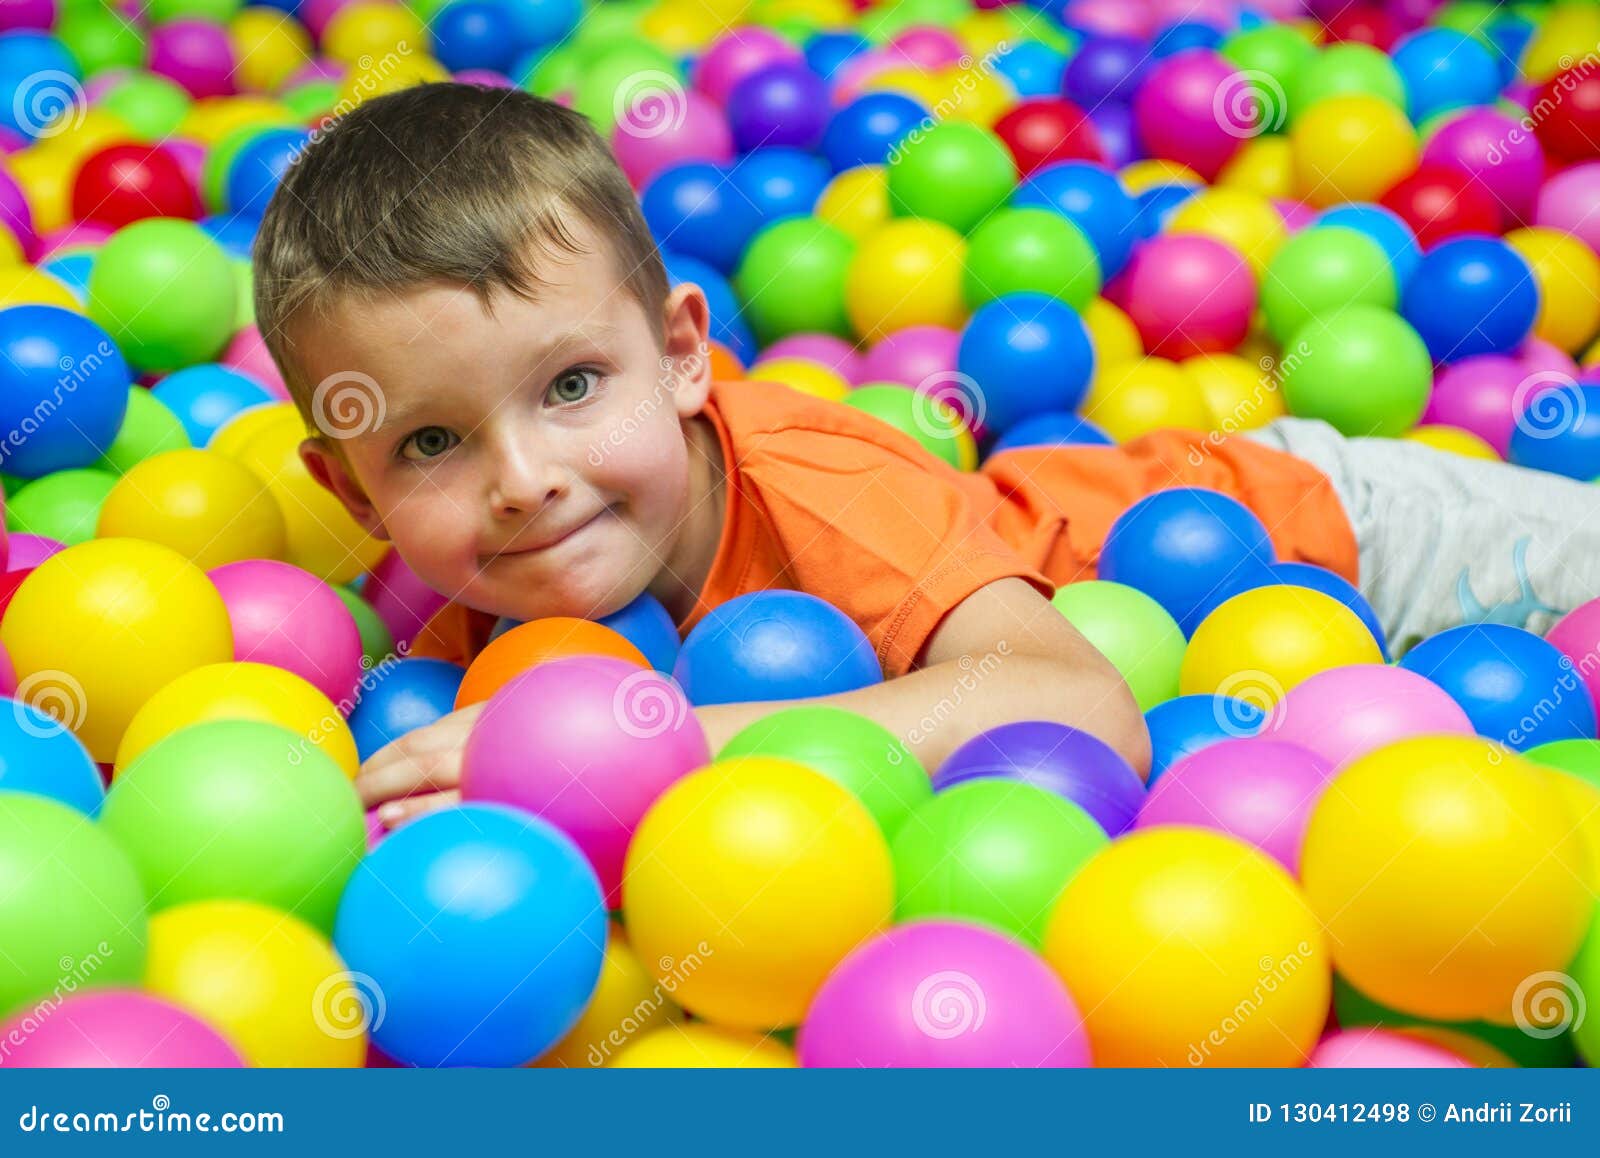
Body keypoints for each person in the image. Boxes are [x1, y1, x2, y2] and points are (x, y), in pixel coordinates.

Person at [252, 83, 1600, 828]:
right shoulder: (461, 620)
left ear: (680, 356)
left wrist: (651, 752)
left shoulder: (816, 484)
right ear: (346, 486)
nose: (524, 476)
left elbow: (1089, 713)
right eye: (430, 439)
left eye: (572, 385)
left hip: (1338, 533)